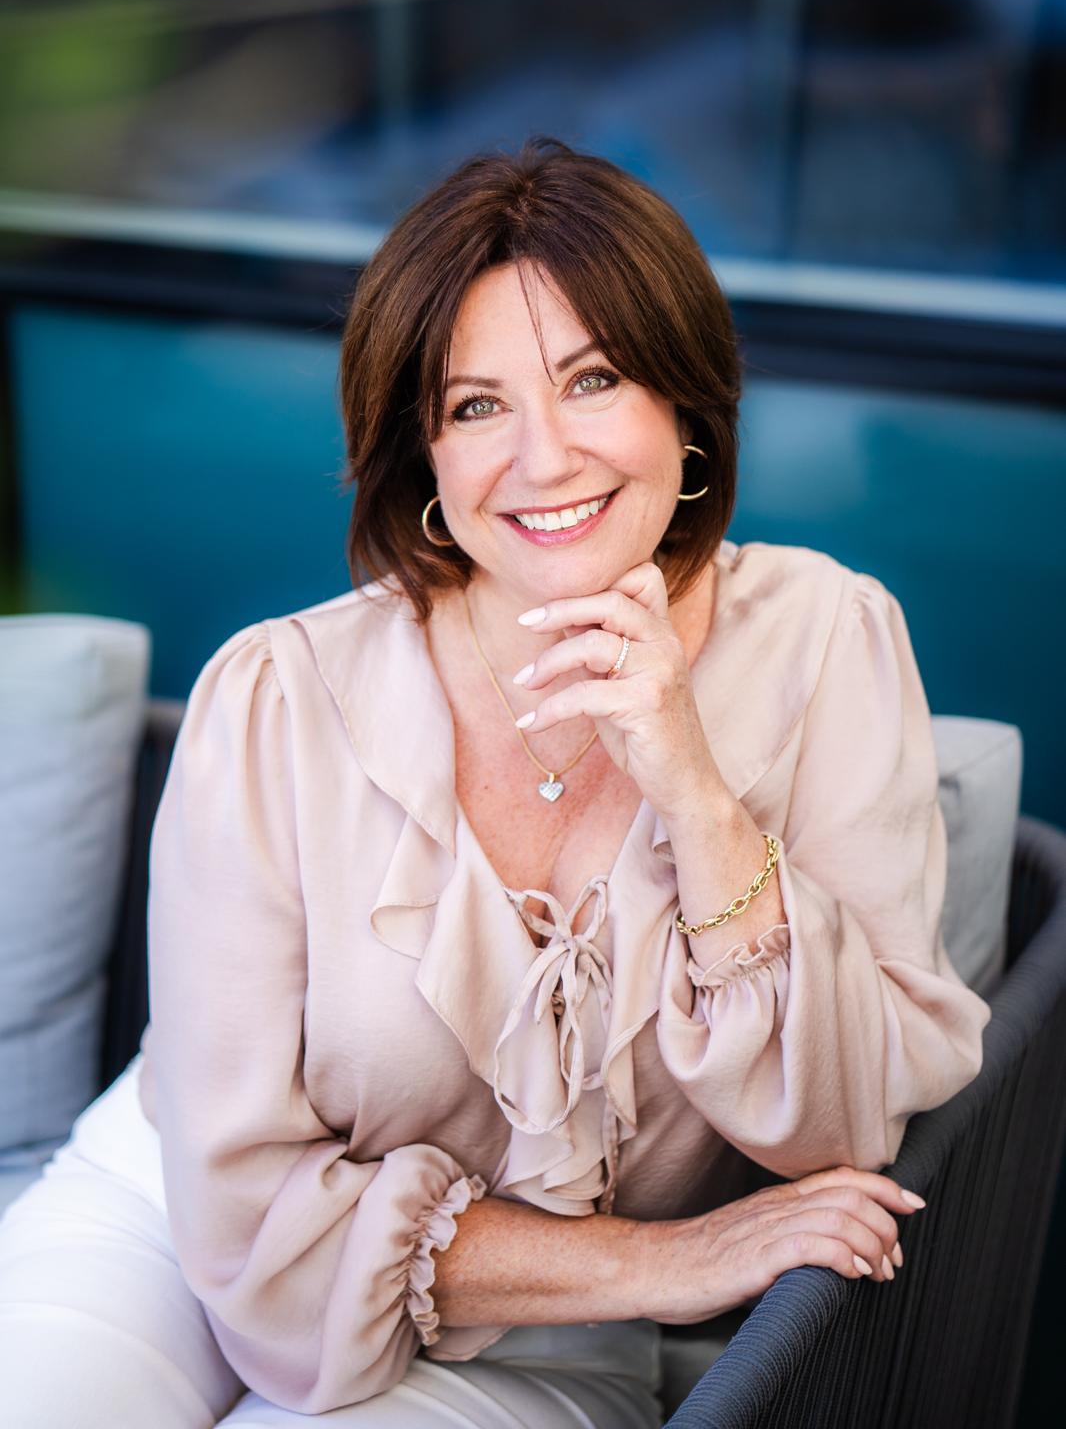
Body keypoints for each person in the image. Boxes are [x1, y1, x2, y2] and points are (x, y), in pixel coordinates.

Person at [0, 136, 991, 1427]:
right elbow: (239, 1199)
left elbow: (844, 1128)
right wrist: (665, 1261)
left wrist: (690, 787)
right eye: (476, 406)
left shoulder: (827, 640)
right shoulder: (275, 697)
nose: (544, 457)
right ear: (423, 454)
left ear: (685, 406)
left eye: (594, 379)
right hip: (188, 1215)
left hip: (533, 1332)